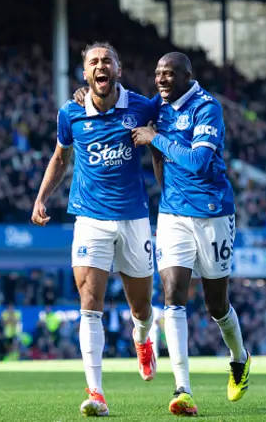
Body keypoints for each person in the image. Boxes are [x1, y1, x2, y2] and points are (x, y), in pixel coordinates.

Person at [75, 52, 251, 415]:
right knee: (172, 296)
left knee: (217, 305)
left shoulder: (207, 108)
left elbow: (199, 163)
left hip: (214, 212)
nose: (161, 80)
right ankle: (182, 389)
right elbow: (122, 111)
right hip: (172, 215)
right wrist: (88, 93)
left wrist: (156, 138)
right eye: (157, 73)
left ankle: (240, 358)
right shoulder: (158, 104)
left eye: (169, 74)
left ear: (188, 76)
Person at [32, 42, 157, 418]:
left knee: (142, 307)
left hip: (134, 218)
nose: (100, 67)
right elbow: (60, 157)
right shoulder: (71, 113)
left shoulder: (141, 107)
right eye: (93, 62)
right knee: (90, 304)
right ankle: (96, 392)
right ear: (85, 74)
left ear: (118, 69)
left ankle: (142, 339)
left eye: (107, 61)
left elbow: (169, 122)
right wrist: (41, 198)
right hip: (89, 219)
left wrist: (154, 132)